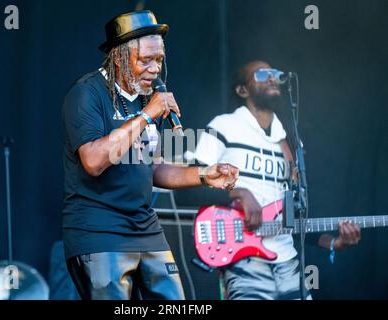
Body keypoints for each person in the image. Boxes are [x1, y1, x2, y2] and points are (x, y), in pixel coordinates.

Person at [61, 10, 239, 300]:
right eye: (146, 60)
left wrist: (206, 175)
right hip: (99, 230)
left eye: (159, 60)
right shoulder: (87, 93)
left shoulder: (146, 100)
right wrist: (147, 115)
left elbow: (155, 168)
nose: (156, 69)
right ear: (119, 58)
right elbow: (93, 161)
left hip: (145, 227)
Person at [194, 60, 361, 300]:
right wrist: (239, 192)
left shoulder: (290, 142)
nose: (272, 77)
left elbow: (293, 219)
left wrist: (336, 243)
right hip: (243, 259)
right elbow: (188, 185)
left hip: (288, 260)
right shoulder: (223, 126)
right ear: (242, 90)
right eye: (262, 74)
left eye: (274, 74)